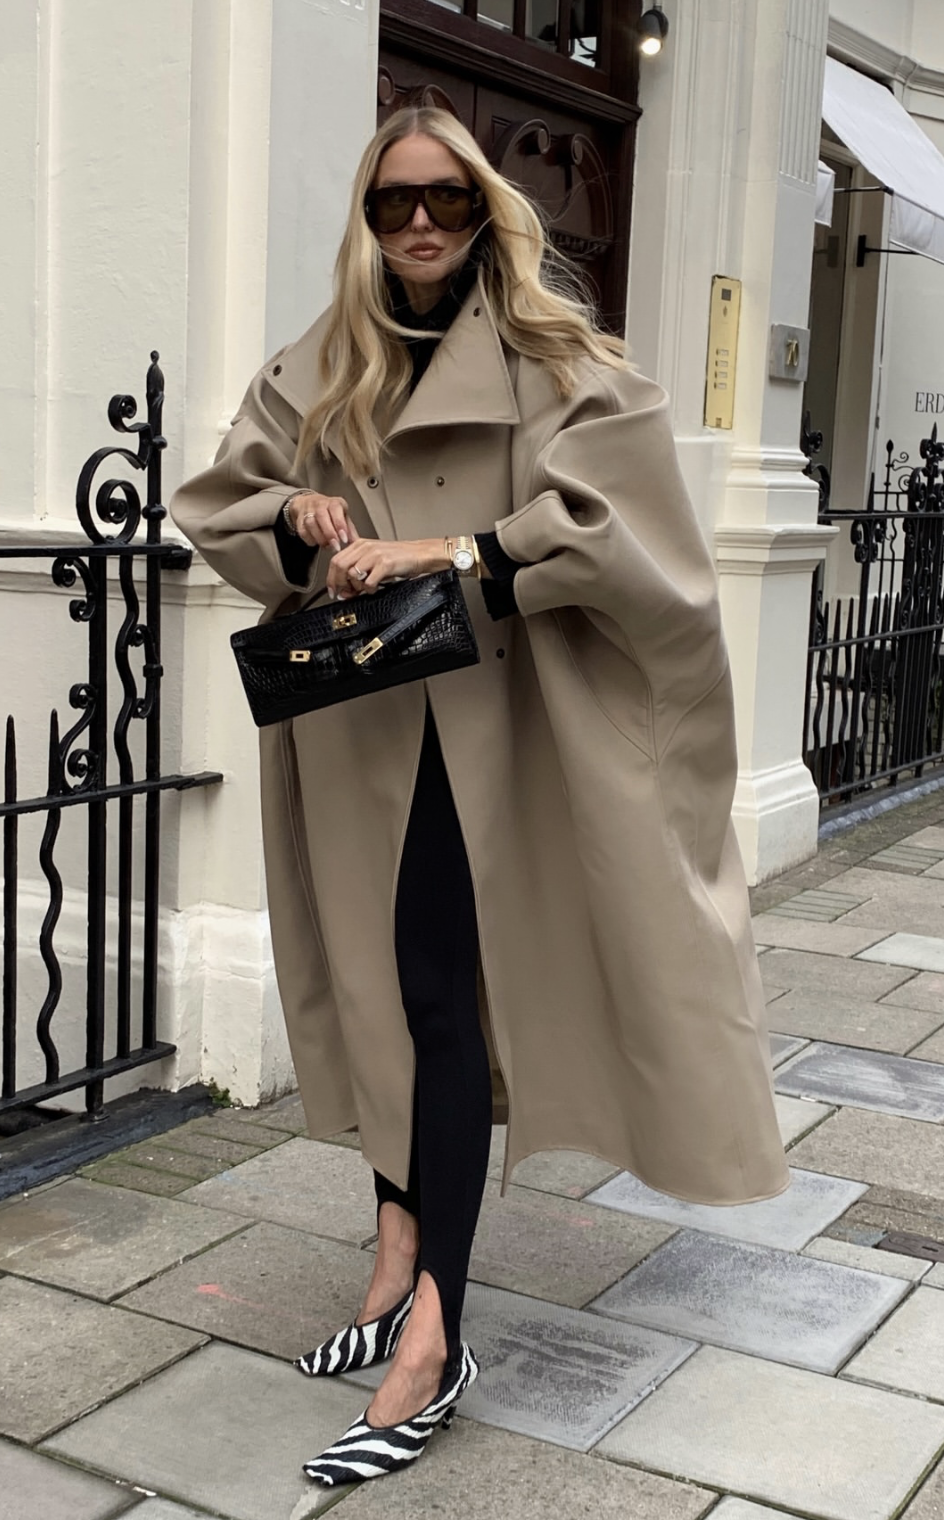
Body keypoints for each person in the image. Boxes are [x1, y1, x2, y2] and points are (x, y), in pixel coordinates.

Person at [171, 106, 788, 1487]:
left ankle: (435, 1334)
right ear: (366, 216)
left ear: (484, 204)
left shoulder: (560, 361)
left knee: (448, 1005)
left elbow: (619, 528)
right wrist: (302, 521)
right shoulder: (320, 366)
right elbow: (218, 498)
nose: (420, 226)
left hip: (493, 733)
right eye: (392, 204)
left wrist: (449, 547)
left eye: (444, 198)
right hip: (363, 736)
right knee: (393, 1001)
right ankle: (394, 1263)